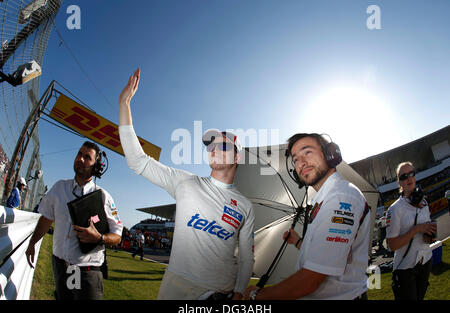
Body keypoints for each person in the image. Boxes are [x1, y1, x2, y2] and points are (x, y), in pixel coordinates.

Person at [118, 68, 254, 300]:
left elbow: (246, 258)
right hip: (176, 288)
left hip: (220, 293)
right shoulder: (186, 183)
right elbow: (138, 161)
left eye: (222, 146)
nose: (213, 150)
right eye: (211, 147)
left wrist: (240, 291)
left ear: (237, 157)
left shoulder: (244, 206)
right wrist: (124, 105)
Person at [244, 133, 371, 300]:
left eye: (307, 152)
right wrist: (297, 241)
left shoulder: (341, 197)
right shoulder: (321, 200)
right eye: (295, 159)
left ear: (329, 154)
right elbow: (322, 252)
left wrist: (258, 295)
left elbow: (311, 279)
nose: (301, 163)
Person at [25, 141, 123, 300]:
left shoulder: (104, 197)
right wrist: (32, 243)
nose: (81, 159)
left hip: (87, 271)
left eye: (87, 157)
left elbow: (118, 236)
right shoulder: (59, 188)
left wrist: (99, 238)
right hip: (60, 266)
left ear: (96, 166)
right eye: (79, 154)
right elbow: (46, 219)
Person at [386, 161, 436, 300]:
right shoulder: (394, 210)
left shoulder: (424, 202)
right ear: (399, 183)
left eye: (411, 174)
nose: (408, 178)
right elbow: (392, 245)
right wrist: (417, 229)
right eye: (403, 176)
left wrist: (429, 236)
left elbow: (426, 234)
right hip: (406, 268)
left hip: (426, 260)